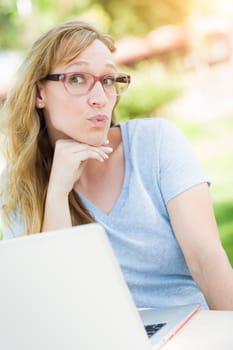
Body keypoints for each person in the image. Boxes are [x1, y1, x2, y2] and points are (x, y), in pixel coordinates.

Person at [0, 19, 233, 311]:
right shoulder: (19, 185)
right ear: (39, 93)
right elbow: (53, 307)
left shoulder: (156, 143)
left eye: (108, 80)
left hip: (189, 330)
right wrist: (57, 192)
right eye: (76, 79)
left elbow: (206, 259)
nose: (100, 99)